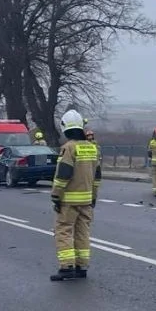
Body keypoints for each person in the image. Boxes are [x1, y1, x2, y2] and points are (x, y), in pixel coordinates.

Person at [50, 110, 102, 281]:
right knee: (82, 233)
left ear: (65, 128)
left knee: (64, 231)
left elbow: (63, 175)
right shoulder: (92, 148)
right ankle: (81, 267)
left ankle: (67, 267)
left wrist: (56, 196)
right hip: (87, 200)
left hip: (69, 201)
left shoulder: (68, 148)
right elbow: (97, 177)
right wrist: (93, 196)